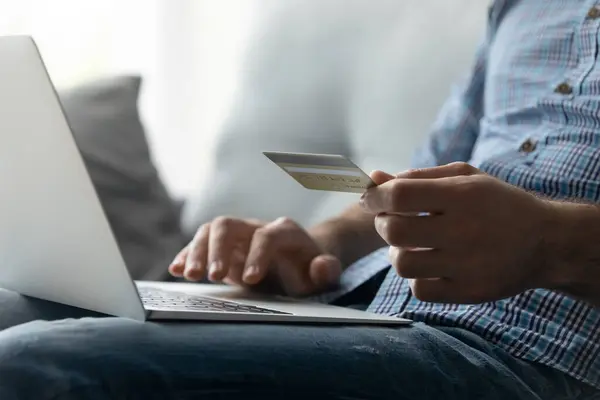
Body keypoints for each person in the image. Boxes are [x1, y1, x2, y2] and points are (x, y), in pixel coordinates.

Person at [1, 1, 600, 399]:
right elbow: (411, 183)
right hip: (368, 311)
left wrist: (549, 241)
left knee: (41, 363)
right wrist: (323, 243)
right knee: (11, 309)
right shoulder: (521, 9)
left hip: (533, 358)